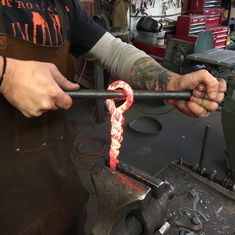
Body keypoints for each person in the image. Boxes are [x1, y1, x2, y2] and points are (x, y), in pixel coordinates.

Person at [0, 0, 226, 234]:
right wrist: (6, 72)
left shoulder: (63, 5)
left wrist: (170, 81)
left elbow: (112, 51)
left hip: (56, 178)